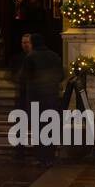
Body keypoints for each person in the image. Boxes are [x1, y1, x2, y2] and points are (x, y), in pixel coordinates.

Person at [17, 33, 64, 166]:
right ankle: (50, 156)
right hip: (52, 97)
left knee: (38, 128)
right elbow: (61, 75)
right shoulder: (54, 56)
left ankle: (41, 157)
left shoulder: (31, 57)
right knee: (51, 126)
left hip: (36, 97)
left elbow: (24, 77)